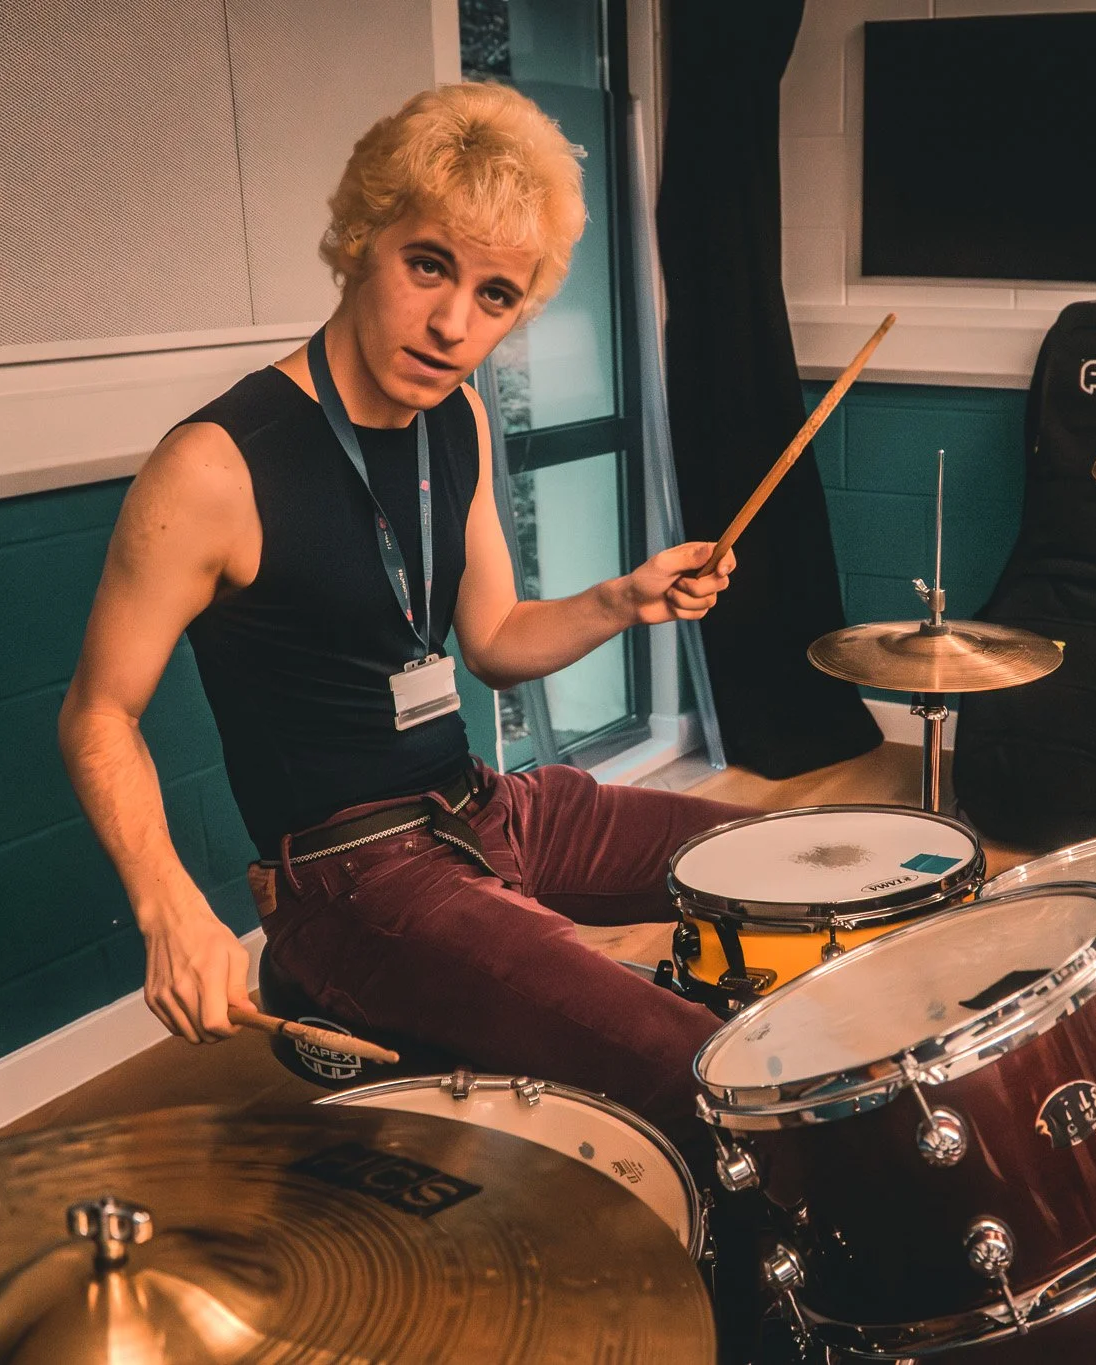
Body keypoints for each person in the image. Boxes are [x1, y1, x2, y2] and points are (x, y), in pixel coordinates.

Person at [58, 83, 753, 1149]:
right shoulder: (214, 467)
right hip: (350, 884)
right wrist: (170, 909)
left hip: (480, 811)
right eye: (428, 265)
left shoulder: (455, 418)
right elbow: (98, 714)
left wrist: (625, 598)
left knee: (792, 867)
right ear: (358, 241)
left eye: (494, 297)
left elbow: (493, 644)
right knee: (678, 1058)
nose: (450, 325)